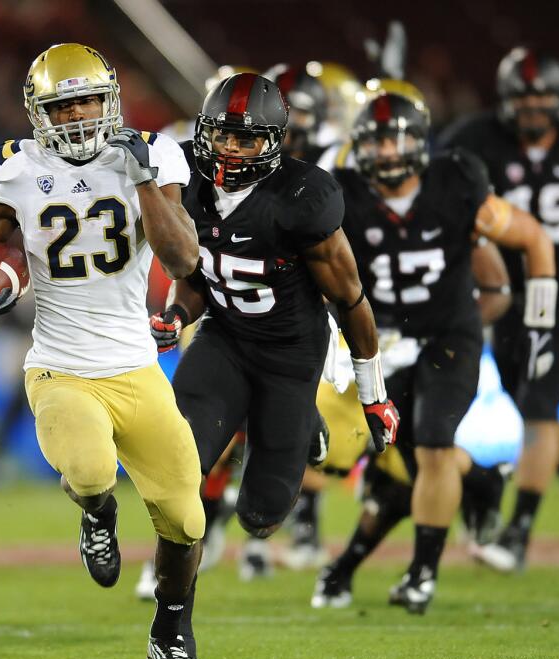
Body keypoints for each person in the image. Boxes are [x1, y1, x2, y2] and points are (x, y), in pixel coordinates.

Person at [0, 43, 206, 659]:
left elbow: (182, 260)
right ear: (40, 113)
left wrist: (141, 178)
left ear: (110, 100)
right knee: (90, 471)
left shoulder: (153, 154)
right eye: (65, 106)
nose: (80, 115)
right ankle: (98, 515)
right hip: (60, 365)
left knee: (186, 517)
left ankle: (170, 629)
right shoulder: (13, 168)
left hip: (136, 366)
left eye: (89, 100)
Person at [147, 73, 397, 603]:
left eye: (246, 139)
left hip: (289, 353)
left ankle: (306, 420)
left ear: (273, 142)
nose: (231, 150)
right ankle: (172, 607)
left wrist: (374, 395)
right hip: (224, 338)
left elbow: (350, 299)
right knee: (179, 465)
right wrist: (176, 314)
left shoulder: (302, 196)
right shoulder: (184, 176)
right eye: (222, 136)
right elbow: (194, 275)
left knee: (261, 515)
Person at [310, 92, 555, 613]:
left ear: (422, 143)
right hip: (381, 345)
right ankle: (482, 480)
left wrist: (540, 322)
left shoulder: (458, 182)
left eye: (396, 138)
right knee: (405, 464)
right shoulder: (345, 194)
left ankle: (422, 575)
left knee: (435, 446)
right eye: (374, 140)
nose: (386, 151)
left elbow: (534, 239)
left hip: (448, 338)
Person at [441, 48, 559, 569]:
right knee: (532, 406)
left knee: (538, 407)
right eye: (523, 97)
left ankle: (517, 536)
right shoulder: (477, 137)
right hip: (510, 298)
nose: (533, 107)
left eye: (542, 97)